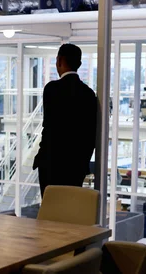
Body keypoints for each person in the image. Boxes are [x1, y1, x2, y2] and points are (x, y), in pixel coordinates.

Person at [33, 43, 98, 197]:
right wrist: (82, 163)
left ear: (59, 61)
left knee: (51, 211)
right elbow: (90, 134)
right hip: (76, 166)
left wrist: (42, 157)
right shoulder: (88, 94)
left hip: (51, 164)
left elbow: (48, 127)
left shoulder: (52, 89)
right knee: (69, 211)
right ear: (79, 64)